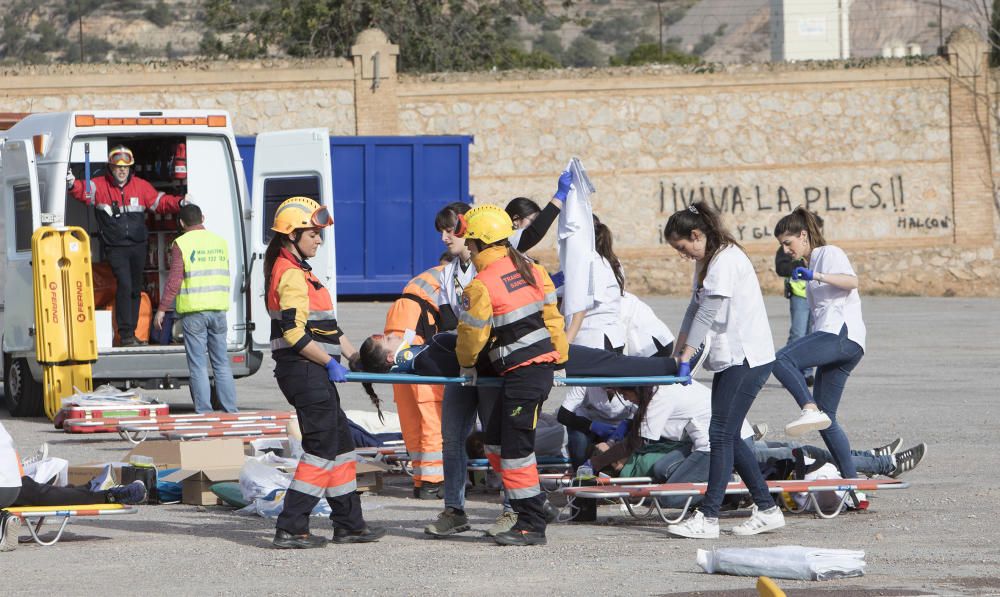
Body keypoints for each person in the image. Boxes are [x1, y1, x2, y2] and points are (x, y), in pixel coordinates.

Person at [264, 196, 383, 549]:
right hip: (303, 370)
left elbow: (328, 327)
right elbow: (294, 334)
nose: (319, 240)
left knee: (342, 447)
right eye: (313, 234)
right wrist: (329, 362)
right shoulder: (289, 275)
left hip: (310, 369)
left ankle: (349, 524)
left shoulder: (302, 272)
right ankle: (291, 527)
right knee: (320, 450)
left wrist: (353, 356)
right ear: (292, 235)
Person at [663, 201, 784, 539]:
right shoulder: (707, 261)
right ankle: (768, 508)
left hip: (747, 357)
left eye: (683, 247)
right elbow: (693, 308)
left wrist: (687, 356)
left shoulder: (726, 260)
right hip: (731, 357)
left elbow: (707, 314)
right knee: (728, 433)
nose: (683, 254)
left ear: (697, 234)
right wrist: (677, 353)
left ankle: (708, 516)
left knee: (718, 434)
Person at [454, 204, 568, 547]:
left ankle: (531, 524)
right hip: (530, 371)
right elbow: (553, 318)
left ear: (481, 243)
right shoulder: (533, 269)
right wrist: (560, 356)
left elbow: (471, 336)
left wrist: (466, 364)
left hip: (526, 375)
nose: (468, 249)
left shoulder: (482, 284)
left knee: (516, 451)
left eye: (470, 243)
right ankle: (535, 504)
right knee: (495, 443)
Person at [770, 208, 889, 479]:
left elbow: (852, 282)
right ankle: (852, 485)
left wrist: (816, 277)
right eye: (782, 245)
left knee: (780, 359)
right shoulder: (812, 262)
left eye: (788, 243)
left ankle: (807, 408)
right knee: (827, 419)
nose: (786, 250)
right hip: (845, 342)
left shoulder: (828, 252)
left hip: (841, 335)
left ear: (803, 235)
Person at [67, 145, 189, 346]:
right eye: (117, 167)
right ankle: (125, 335)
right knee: (124, 285)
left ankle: (132, 334)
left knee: (134, 289)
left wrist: (181, 202)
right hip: (115, 247)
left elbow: (160, 202)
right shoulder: (99, 185)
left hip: (138, 245)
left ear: (130, 168)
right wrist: (72, 185)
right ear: (111, 167)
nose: (122, 171)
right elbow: (83, 191)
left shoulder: (141, 186)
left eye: (125, 167)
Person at [1, 422, 146, 551]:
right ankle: (101, 493)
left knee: (41, 494)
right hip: (12, 482)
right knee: (41, 494)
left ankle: (106, 494)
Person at [154, 204, 237, 414]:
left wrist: (162, 309)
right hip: (218, 311)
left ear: (181, 223)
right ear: (203, 217)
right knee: (221, 364)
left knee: (198, 366)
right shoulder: (220, 242)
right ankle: (230, 411)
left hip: (194, 314)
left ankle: (204, 412)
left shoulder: (182, 243)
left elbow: (174, 281)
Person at [379, 266, 446, 499]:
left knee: (413, 417)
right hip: (418, 349)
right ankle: (432, 481)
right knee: (431, 417)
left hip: (401, 351)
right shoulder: (451, 276)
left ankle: (421, 481)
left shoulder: (415, 288)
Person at [773, 212, 824, 387]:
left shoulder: (821, 250)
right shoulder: (788, 247)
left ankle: (807, 373)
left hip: (815, 295)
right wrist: (798, 265)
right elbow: (781, 267)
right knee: (797, 334)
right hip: (799, 295)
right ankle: (789, 369)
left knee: (811, 335)